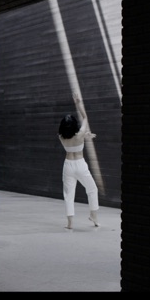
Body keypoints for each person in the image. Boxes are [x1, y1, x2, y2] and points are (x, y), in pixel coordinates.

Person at [58, 92, 100, 229]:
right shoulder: (80, 134)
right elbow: (85, 117)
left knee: (69, 195)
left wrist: (85, 136)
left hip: (68, 165)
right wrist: (78, 103)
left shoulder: (61, 137)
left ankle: (70, 223)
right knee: (92, 189)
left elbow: (72, 137)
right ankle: (93, 216)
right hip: (81, 164)